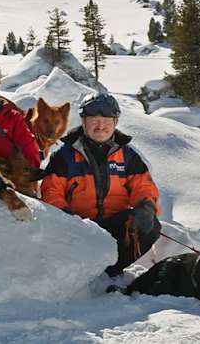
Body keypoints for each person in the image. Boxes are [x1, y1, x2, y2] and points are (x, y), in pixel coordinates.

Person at [41, 92, 161, 276]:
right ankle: (81, 271)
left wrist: (145, 207)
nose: (100, 126)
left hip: (115, 225)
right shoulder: (64, 156)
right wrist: (69, 220)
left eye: (106, 120)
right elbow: (51, 192)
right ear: (83, 121)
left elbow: (143, 186)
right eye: (94, 120)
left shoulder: (127, 156)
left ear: (115, 122)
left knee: (150, 225)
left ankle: (109, 272)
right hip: (78, 226)